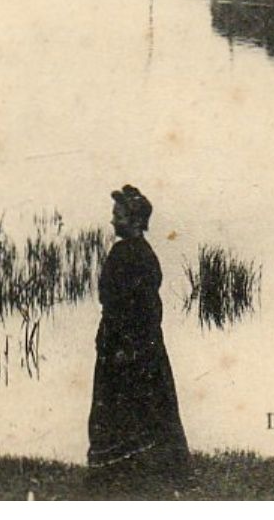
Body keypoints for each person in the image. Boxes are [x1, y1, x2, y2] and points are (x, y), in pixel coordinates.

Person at [87, 185, 189, 490]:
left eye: (117, 215)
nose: (112, 221)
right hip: (132, 342)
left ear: (133, 220)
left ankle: (126, 470)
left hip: (129, 344)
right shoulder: (138, 253)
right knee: (141, 403)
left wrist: (126, 346)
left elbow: (140, 307)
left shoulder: (132, 255)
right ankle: (134, 468)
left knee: (129, 402)